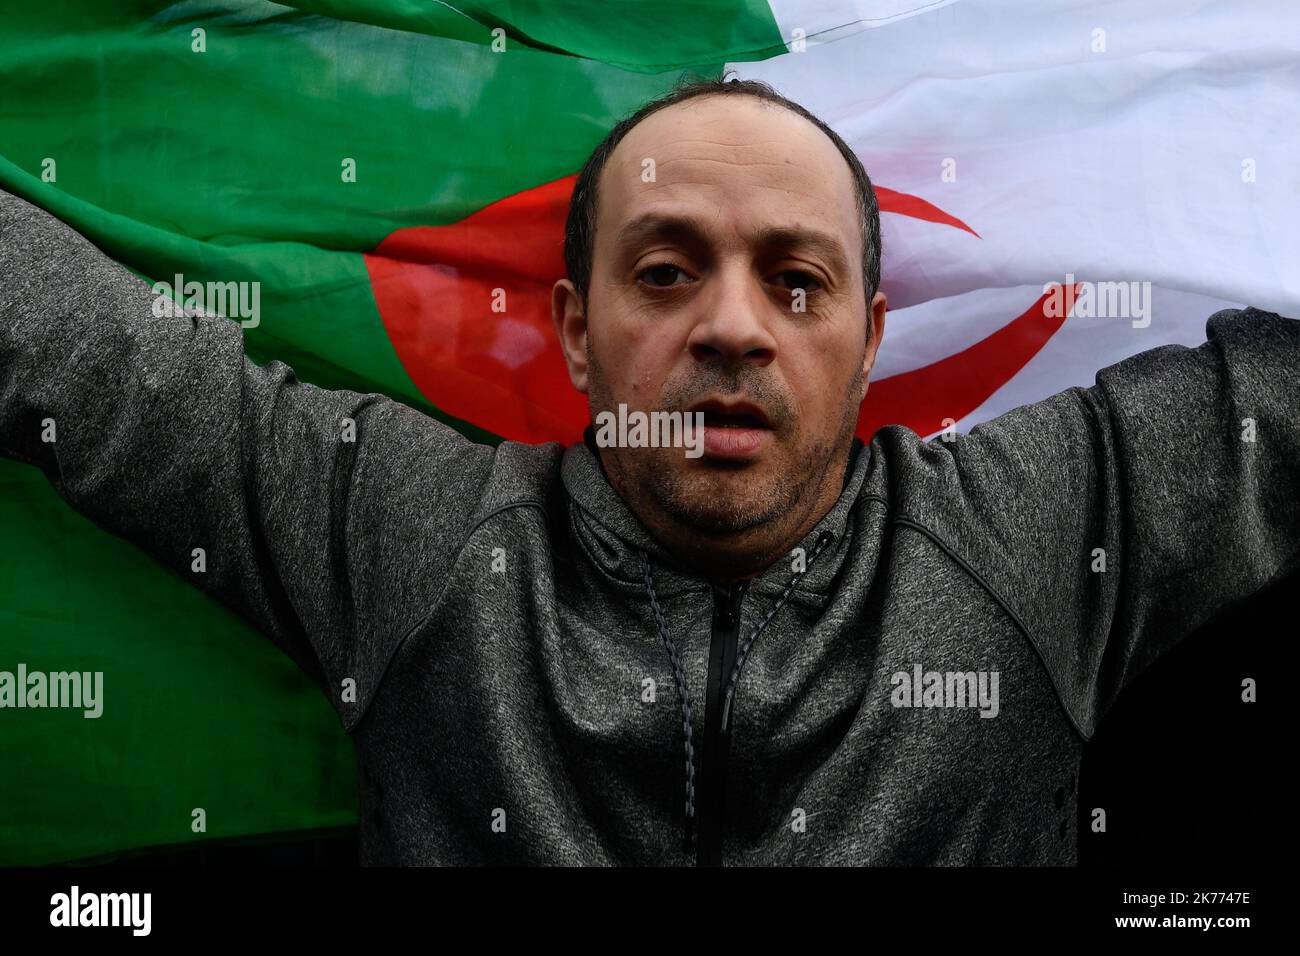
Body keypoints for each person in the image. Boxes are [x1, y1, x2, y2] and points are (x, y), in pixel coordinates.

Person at [1, 78, 1296, 866]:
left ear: (870, 344)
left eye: (798, 283)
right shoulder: (413, 536)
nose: (733, 328)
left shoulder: (1035, 531)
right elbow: (87, 357)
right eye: (667, 272)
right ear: (574, 330)